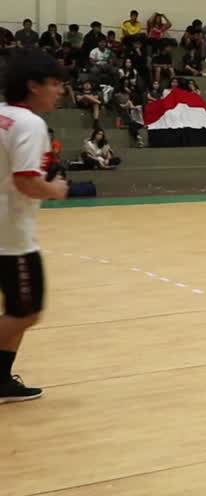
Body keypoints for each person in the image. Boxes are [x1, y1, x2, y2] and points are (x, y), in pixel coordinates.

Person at [1, 49, 70, 403]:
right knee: (27, 311)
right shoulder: (29, 124)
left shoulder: (2, 116)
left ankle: (0, 380)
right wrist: (55, 191)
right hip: (11, 235)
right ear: (33, 85)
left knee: (16, 309)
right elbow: (27, 180)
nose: (60, 90)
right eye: (55, 83)